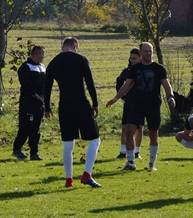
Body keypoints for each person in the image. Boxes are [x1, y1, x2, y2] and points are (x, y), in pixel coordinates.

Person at [106, 42, 176, 172]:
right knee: (129, 131)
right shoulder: (134, 69)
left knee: (153, 134)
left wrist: (170, 96)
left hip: (153, 106)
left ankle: (152, 163)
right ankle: (130, 162)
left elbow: (167, 85)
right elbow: (126, 86)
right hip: (137, 105)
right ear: (141, 53)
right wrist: (115, 98)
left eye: (150, 51)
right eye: (145, 51)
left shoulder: (159, 69)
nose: (148, 53)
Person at [44, 37, 101, 188]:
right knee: (95, 139)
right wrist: (95, 103)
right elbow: (90, 82)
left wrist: (47, 107)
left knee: (68, 144)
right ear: (75, 45)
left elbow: (47, 87)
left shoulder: (53, 62)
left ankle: (69, 179)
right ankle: (87, 174)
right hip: (81, 102)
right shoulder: (81, 59)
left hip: (64, 105)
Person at [12, 45, 46, 160]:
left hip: (40, 103)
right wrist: (35, 94)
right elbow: (26, 84)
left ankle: (34, 152)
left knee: (36, 129)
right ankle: (17, 149)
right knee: (26, 127)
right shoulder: (25, 67)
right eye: (42, 54)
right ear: (37, 54)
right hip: (28, 102)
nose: (43, 57)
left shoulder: (42, 67)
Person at [115, 48, 143, 159]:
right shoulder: (127, 71)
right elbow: (119, 82)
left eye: (134, 58)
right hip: (129, 103)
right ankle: (123, 151)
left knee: (139, 128)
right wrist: (122, 96)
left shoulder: (143, 71)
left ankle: (137, 152)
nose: (132, 60)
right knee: (125, 127)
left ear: (140, 58)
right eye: (130, 58)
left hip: (140, 103)